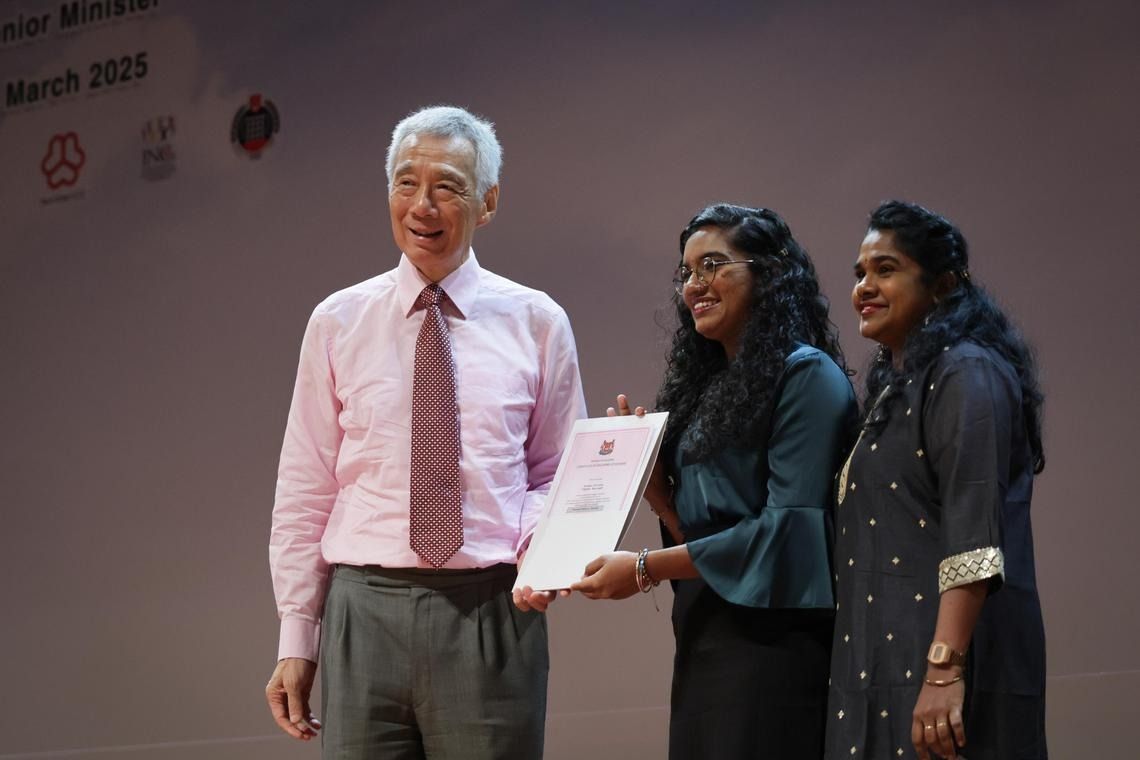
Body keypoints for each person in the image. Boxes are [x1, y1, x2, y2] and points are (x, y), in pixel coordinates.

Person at [265, 105, 586, 759]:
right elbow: (307, 486)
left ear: (488, 202)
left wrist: (541, 554)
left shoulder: (537, 321)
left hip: (491, 608)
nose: (423, 205)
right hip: (363, 608)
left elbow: (560, 472)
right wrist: (298, 638)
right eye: (406, 183)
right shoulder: (337, 321)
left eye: (448, 186)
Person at [566, 204, 856, 758]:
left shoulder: (806, 375)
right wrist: (654, 489)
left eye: (712, 266)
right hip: (706, 633)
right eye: (686, 272)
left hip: (774, 646)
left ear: (768, 275)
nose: (694, 285)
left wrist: (645, 569)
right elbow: (702, 530)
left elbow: (784, 534)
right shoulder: (709, 392)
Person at [826, 200, 1047, 760]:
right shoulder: (893, 391)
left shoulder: (966, 372)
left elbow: (974, 531)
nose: (865, 287)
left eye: (886, 269)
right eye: (860, 274)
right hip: (880, 669)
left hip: (943, 675)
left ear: (943, 286)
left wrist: (944, 670)